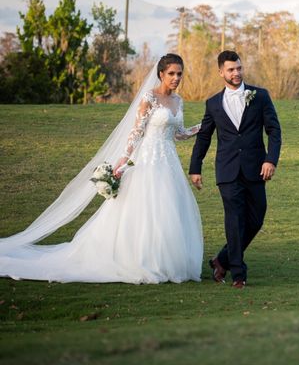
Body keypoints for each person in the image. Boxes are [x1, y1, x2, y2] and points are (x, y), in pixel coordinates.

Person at [0, 54, 203, 284]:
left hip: (169, 164)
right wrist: (122, 161)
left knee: (169, 211)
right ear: (161, 74)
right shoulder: (150, 98)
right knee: (145, 210)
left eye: (179, 74)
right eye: (171, 74)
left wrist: (201, 127)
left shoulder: (178, 101)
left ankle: (165, 261)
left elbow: (178, 133)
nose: (176, 78)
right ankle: (140, 260)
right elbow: (136, 133)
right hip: (149, 162)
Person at [189, 50, 281, 289]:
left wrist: (270, 160)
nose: (236, 73)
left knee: (256, 218)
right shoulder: (212, 104)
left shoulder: (260, 96)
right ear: (221, 72)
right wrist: (195, 167)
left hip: (255, 169)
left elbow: (274, 130)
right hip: (227, 171)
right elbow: (204, 137)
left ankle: (221, 259)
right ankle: (238, 273)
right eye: (231, 69)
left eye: (239, 68)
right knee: (234, 219)